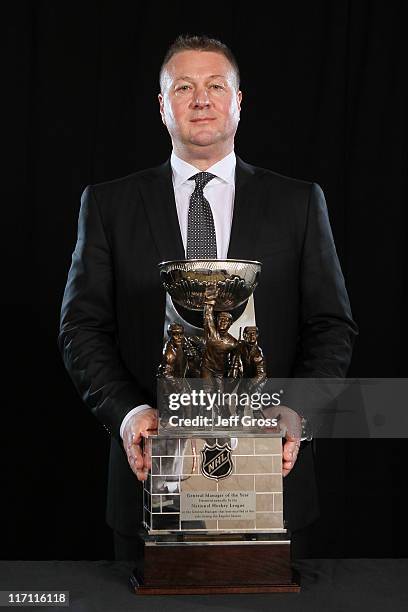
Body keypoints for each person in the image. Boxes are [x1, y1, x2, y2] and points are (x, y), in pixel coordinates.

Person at [59, 34, 357, 560]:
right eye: (185, 87)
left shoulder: (298, 203)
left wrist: (297, 413)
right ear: (162, 106)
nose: (201, 99)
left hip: (271, 486)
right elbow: (81, 328)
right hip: (150, 481)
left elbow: (331, 326)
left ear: (238, 102)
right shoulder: (108, 205)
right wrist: (128, 414)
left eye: (216, 85)